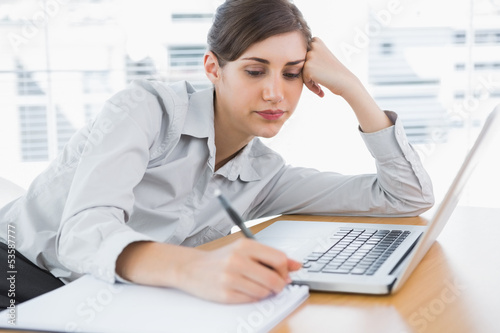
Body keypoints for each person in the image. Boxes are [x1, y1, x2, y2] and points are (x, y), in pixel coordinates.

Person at [0, 0, 434, 308]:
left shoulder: (264, 174)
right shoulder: (146, 109)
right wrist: (193, 269)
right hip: (18, 268)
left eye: (292, 74)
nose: (274, 93)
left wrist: (353, 89)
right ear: (213, 68)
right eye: (254, 70)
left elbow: (405, 196)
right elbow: (83, 234)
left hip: (103, 293)